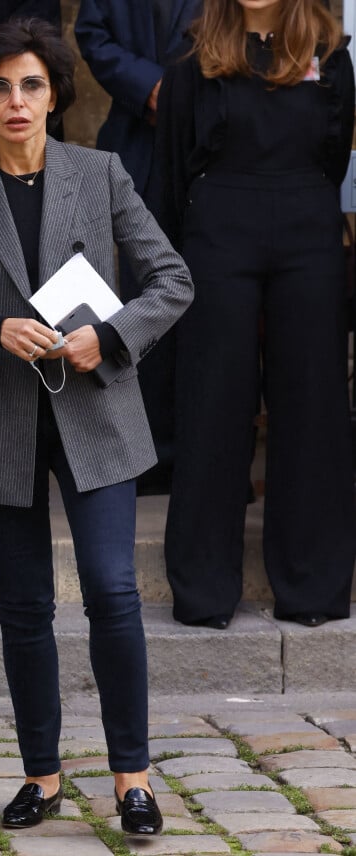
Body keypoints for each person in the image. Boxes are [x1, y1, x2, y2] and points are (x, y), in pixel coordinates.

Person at [0, 17, 193, 836]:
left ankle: (133, 779)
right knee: (24, 605)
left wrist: (108, 335)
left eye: (31, 85)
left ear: (55, 93)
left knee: (111, 592)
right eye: (0, 87)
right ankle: (42, 774)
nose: (17, 101)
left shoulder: (100, 175)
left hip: (96, 412)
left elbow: (172, 281)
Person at [149, 0, 356, 629]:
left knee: (313, 404)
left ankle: (313, 586)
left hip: (307, 224)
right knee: (215, 402)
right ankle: (206, 590)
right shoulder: (193, 54)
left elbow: (335, 158)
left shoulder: (329, 51)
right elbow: (172, 162)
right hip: (219, 227)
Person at [75, 0, 201, 493]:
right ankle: (146, 454)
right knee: (140, 302)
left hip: (214, 146)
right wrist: (147, 85)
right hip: (138, 143)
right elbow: (93, 34)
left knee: (210, 307)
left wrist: (185, 94)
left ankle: (200, 451)